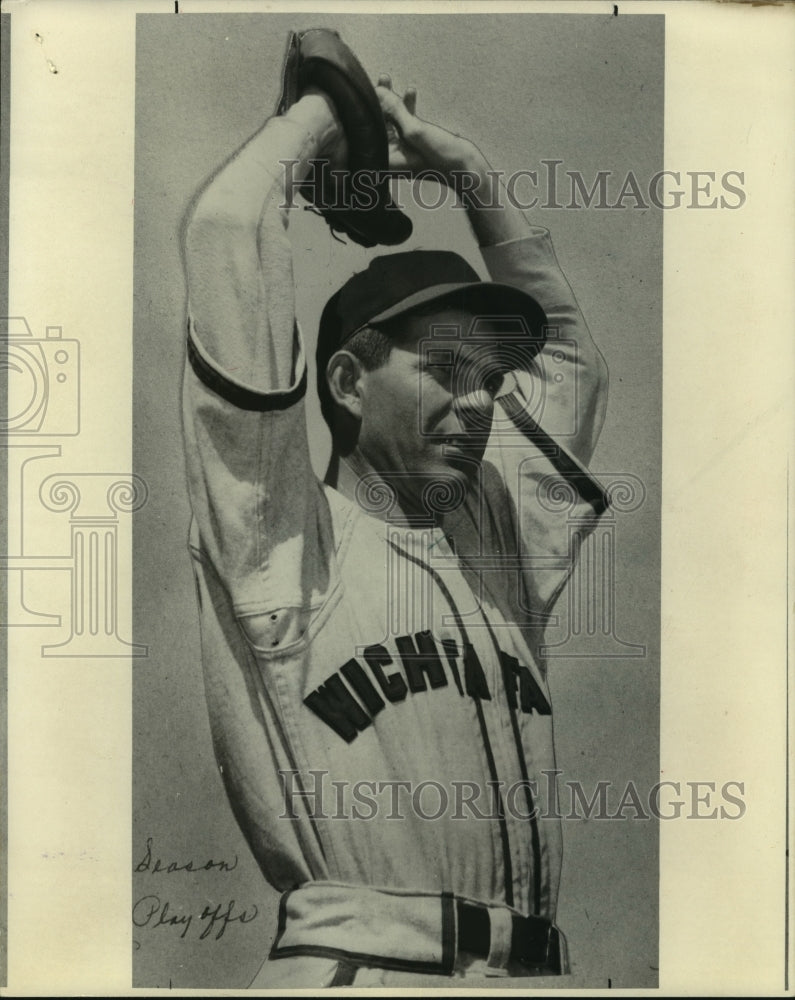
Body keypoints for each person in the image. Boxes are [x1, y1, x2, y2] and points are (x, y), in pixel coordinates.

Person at [181, 64, 608, 988]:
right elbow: (225, 232)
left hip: (532, 973)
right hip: (364, 966)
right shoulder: (282, 542)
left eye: (490, 379)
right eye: (447, 370)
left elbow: (573, 363)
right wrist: (316, 115)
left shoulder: (494, 539)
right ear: (345, 384)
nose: (479, 401)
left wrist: (469, 174)